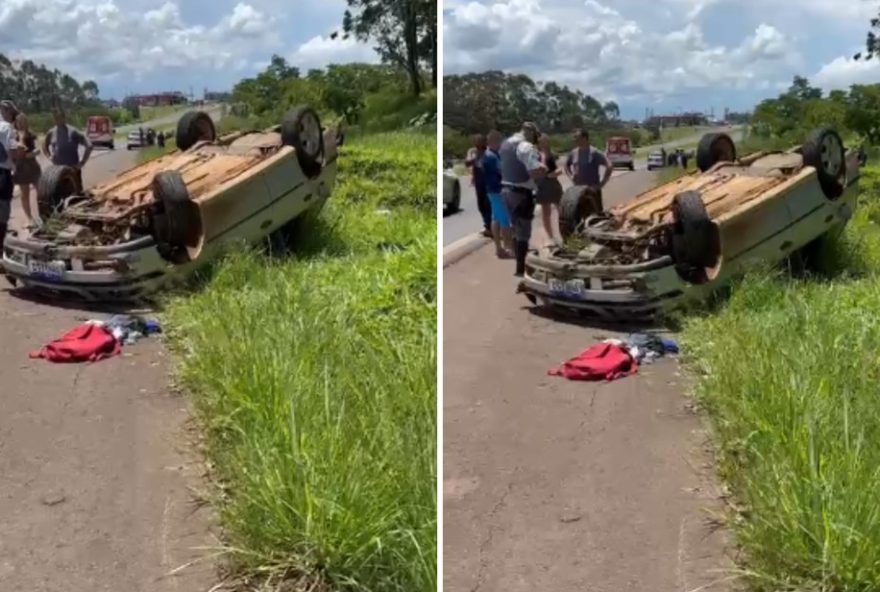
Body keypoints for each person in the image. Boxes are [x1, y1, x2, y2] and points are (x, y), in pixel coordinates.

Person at [500, 122, 547, 277]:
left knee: (515, 229)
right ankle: (521, 269)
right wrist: (544, 168)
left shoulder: (506, 144)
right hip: (521, 193)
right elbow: (534, 171)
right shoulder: (525, 146)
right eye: (535, 136)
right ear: (531, 132)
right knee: (524, 233)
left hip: (506, 190)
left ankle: (519, 264)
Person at [43, 106, 93, 192]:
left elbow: (89, 146)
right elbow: (44, 146)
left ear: (64, 118)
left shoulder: (73, 132)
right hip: (57, 172)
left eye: (59, 117)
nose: (57, 120)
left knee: (76, 195)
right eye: (55, 118)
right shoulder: (51, 132)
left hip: (72, 170)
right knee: (59, 194)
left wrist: (82, 162)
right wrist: (49, 156)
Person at [565, 129, 612, 212]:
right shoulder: (574, 152)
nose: (575, 140)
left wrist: (602, 184)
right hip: (578, 191)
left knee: (595, 215)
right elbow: (566, 165)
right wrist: (571, 176)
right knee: (579, 214)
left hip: (592, 191)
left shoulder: (594, 152)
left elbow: (609, 166)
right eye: (574, 138)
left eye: (577, 138)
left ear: (585, 138)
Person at [483, 130, 512, 258]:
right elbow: (503, 171)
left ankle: (499, 248)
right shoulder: (492, 156)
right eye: (500, 141)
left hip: (491, 190)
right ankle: (508, 247)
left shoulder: (487, 155)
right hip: (498, 190)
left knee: (496, 219)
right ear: (494, 141)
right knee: (504, 220)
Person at [12, 113, 41, 227]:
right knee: (25, 194)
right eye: (19, 121)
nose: (21, 123)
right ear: (16, 123)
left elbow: (38, 149)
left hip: (33, 166)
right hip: (20, 168)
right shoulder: (12, 135)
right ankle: (29, 219)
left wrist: (32, 153)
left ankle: (44, 213)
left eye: (24, 121)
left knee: (41, 191)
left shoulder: (32, 134)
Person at [536, 134, 563, 245]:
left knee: (562, 210)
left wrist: (554, 173)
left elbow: (560, 168)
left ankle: (565, 233)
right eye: (541, 142)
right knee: (545, 212)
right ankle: (550, 237)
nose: (543, 143)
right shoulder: (536, 155)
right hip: (542, 185)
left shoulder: (553, 154)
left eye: (545, 141)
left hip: (553, 184)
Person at [0, 100, 20, 251]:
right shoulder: (7, 128)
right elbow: (12, 150)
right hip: (2, 173)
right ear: (6, 111)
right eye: (12, 113)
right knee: (2, 212)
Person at [465, 134, 492, 237]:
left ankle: (489, 226)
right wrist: (475, 157)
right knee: (481, 203)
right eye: (476, 141)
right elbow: (467, 163)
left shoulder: (489, 151)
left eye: (480, 141)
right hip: (479, 180)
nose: (478, 143)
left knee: (488, 203)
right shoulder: (472, 151)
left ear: (485, 142)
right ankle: (487, 225)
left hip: (489, 180)